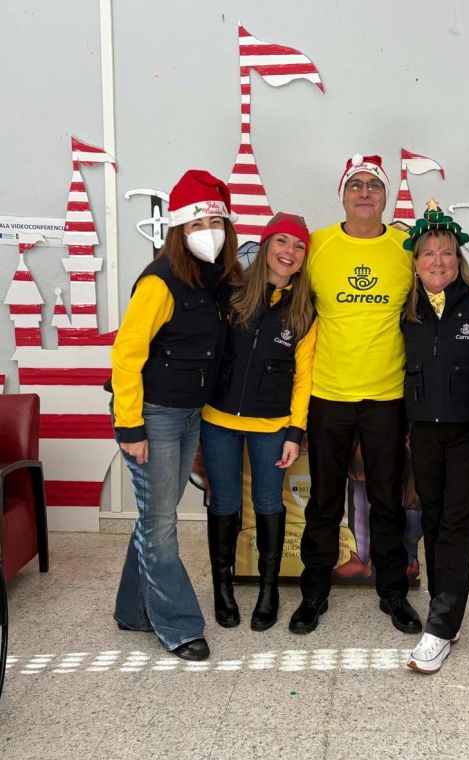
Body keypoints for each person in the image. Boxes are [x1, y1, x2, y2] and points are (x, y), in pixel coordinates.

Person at [110, 170, 241, 661]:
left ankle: (133, 610)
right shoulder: (159, 281)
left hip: (188, 413)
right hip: (152, 414)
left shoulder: (217, 280)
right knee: (162, 521)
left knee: (155, 514)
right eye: (197, 223)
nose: (209, 231)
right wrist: (130, 427)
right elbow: (126, 356)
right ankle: (179, 626)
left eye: (216, 222)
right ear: (178, 230)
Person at [289, 153, 421, 635]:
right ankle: (314, 593)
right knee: (324, 501)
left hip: (387, 397)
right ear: (342, 194)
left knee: (386, 501)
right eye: (356, 185)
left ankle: (393, 592)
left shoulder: (407, 246)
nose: (365, 192)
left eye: (374, 185)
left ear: (386, 196)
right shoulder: (318, 246)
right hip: (329, 395)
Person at [201, 212, 316, 632]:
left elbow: (304, 378)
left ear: (304, 258)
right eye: (281, 241)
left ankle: (269, 590)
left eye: (298, 246)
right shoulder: (231, 294)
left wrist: (295, 432)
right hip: (218, 420)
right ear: (266, 245)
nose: (289, 252)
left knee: (269, 504)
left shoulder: (305, 310)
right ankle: (223, 587)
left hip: (272, 424)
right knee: (225, 503)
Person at [401, 202, 469, 674]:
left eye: (446, 252)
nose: (437, 261)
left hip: (468, 433)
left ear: (459, 259)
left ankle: (438, 628)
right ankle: (447, 610)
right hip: (423, 433)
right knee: (433, 520)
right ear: (416, 262)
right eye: (428, 253)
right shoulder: (407, 309)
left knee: (456, 523)